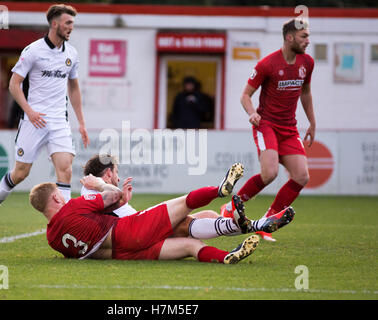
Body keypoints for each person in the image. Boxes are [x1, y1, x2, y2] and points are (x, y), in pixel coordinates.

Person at [29, 163, 296, 264]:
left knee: (192, 244)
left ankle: (229, 255)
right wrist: (99, 186)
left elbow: (88, 241)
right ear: (55, 197)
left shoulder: (52, 239)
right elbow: (113, 197)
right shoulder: (78, 204)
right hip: (130, 232)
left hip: (123, 254)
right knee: (186, 208)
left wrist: (118, 200)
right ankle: (220, 189)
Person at [0, 4, 89, 233]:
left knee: (66, 169)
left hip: (59, 120)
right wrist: (29, 111)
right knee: (21, 173)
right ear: (55, 24)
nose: (71, 27)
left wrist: (81, 122)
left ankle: (67, 226)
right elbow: (13, 84)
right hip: (34, 120)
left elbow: (74, 88)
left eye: (72, 23)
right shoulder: (33, 51)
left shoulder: (72, 53)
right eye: (68, 23)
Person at [222, 18, 315, 242]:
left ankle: (268, 221)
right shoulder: (267, 64)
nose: (308, 41)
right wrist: (252, 112)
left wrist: (312, 122)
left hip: (289, 128)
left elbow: (305, 93)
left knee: (302, 176)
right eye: (304, 37)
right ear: (289, 37)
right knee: (270, 174)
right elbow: (245, 95)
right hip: (266, 125)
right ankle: (230, 207)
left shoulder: (307, 63)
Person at [81, 153, 221, 238]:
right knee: (191, 217)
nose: (118, 178)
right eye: (116, 172)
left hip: (141, 223)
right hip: (141, 229)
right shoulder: (93, 188)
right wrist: (99, 184)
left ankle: (230, 221)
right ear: (109, 173)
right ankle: (221, 198)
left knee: (205, 216)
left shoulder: (91, 190)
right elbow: (113, 193)